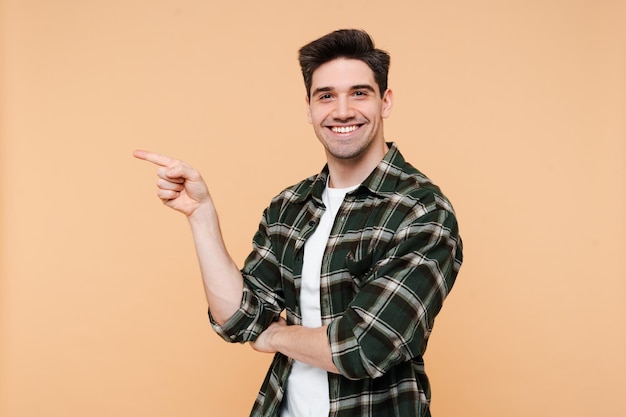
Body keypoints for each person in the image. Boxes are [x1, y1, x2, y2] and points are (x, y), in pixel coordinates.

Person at [134, 29, 463, 417]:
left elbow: (363, 348)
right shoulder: (290, 205)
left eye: (359, 93)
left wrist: (272, 333)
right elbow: (238, 318)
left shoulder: (421, 210)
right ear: (308, 109)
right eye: (326, 96)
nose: (342, 111)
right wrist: (200, 216)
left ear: (385, 101)